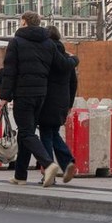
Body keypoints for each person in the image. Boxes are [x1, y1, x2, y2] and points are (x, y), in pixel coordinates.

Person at [0, 11, 71, 187]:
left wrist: (5, 96)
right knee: (25, 133)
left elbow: (10, 71)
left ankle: (48, 163)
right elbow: (62, 65)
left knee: (26, 132)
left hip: (23, 94)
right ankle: (20, 175)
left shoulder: (16, 42)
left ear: (24, 22)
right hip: (41, 95)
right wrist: (75, 60)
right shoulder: (48, 43)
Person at [37, 26, 79, 183]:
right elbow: (73, 83)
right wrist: (69, 103)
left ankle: (49, 170)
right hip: (62, 101)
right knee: (53, 132)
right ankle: (67, 162)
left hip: (46, 100)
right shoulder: (67, 57)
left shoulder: (45, 56)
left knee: (46, 134)